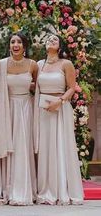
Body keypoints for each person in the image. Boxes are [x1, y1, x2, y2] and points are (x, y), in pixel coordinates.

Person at [34, 34, 84, 205]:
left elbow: (72, 88)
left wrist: (60, 101)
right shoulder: (39, 65)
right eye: (48, 39)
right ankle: (47, 189)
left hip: (60, 108)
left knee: (61, 147)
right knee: (46, 148)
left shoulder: (66, 64)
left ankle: (63, 189)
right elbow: (36, 86)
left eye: (55, 39)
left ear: (60, 45)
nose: (51, 40)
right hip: (43, 110)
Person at [0, 32, 38, 205]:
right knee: (9, 147)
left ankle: (25, 188)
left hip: (26, 108)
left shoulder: (33, 65)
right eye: (12, 41)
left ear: (24, 45)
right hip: (7, 107)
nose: (16, 45)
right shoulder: (2, 64)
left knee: (23, 147)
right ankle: (8, 188)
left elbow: (38, 86)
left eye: (19, 42)